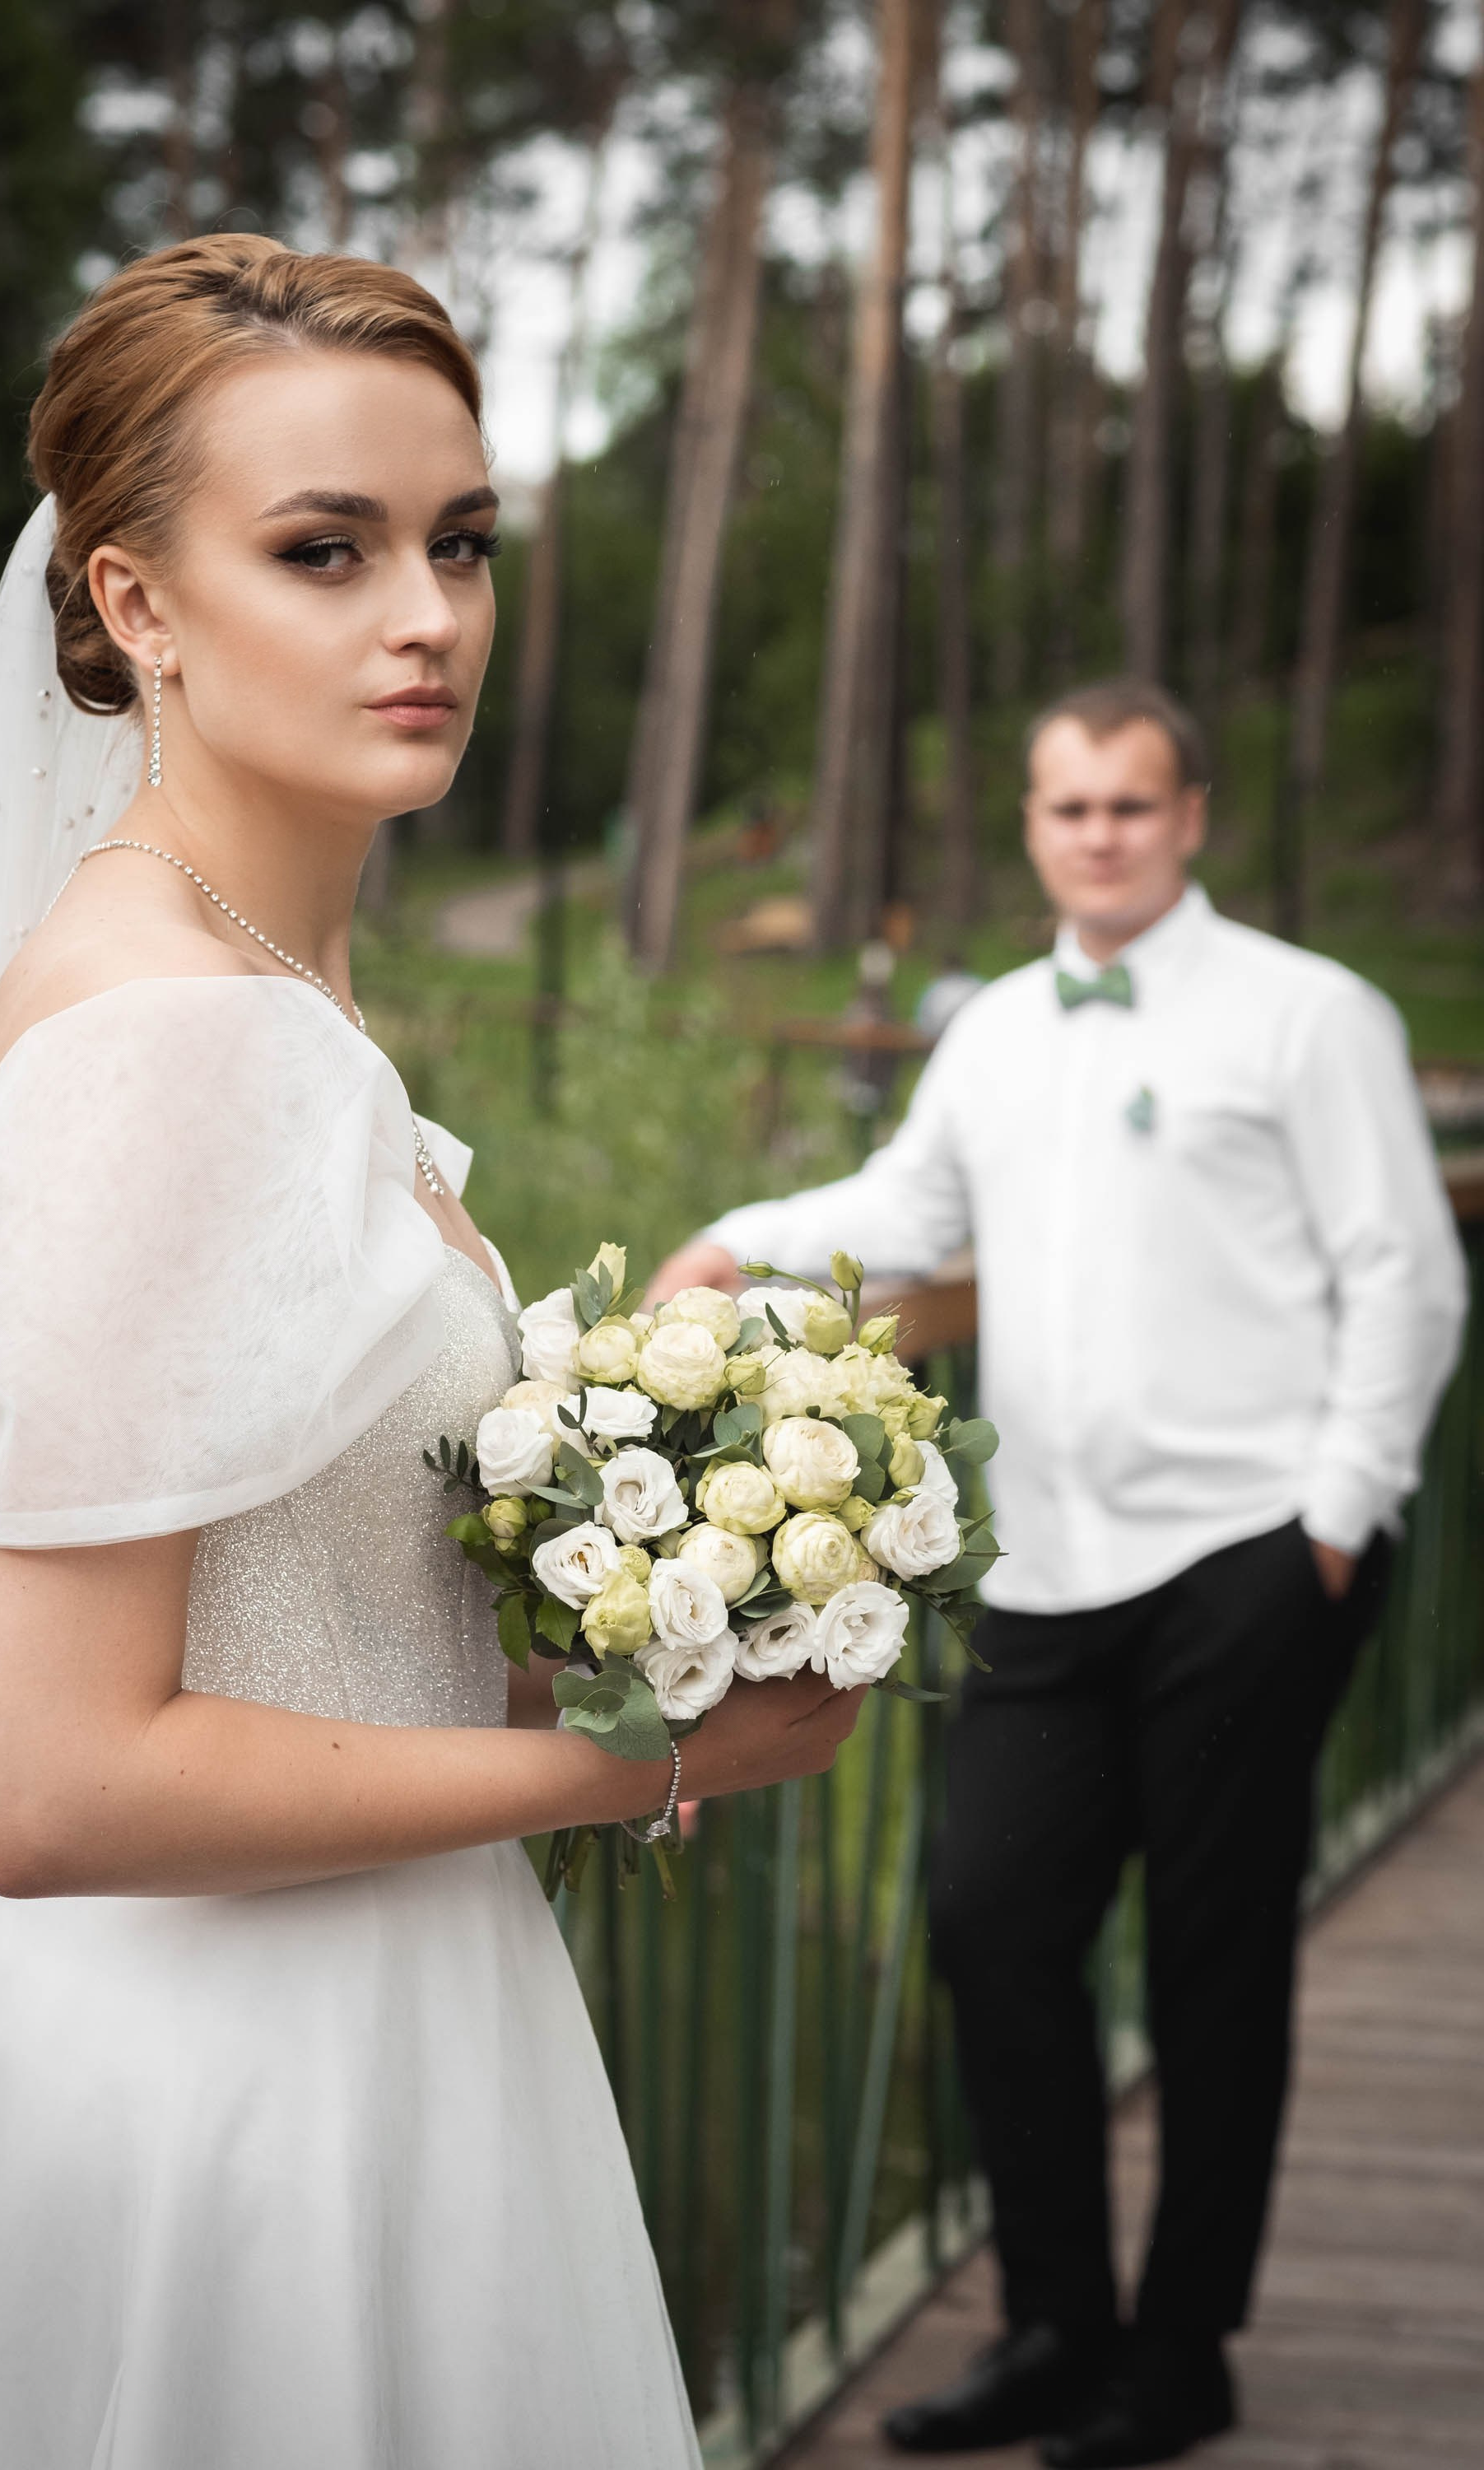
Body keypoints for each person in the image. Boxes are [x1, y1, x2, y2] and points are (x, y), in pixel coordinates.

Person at [0, 237, 868, 2470]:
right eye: (327, 550)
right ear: (137, 605)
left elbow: (290, 1623)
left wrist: (630, 1639)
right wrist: (655, 1767)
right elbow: (53, 1785)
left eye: (461, 543)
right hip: (231, 2107)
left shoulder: (262, 999)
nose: (430, 616)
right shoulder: (173, 1043)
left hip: (370, 2017)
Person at [649, 678, 1468, 2468]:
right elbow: (913, 1212)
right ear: (1031, 824)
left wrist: (1334, 1519)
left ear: (1188, 819)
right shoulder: (1001, 1031)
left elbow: (1404, 1275)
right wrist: (736, 1243)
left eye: (1129, 806)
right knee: (991, 1928)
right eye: (1065, 807)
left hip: (1250, 1558)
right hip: (1042, 1573)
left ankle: (1183, 2359)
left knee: (1207, 1960)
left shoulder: (1307, 1016)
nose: (1095, 833)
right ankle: (1047, 2327)